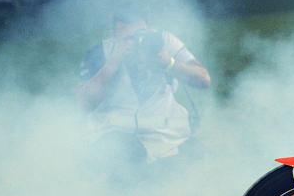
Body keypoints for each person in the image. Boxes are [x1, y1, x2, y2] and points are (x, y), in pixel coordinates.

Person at [79, 14, 211, 180]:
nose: (135, 43)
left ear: (149, 28)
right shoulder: (101, 52)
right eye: (127, 38)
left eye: (140, 35)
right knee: (125, 159)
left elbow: (204, 79)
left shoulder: (163, 42)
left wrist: (169, 63)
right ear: (115, 35)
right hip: (116, 136)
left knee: (202, 162)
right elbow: (83, 103)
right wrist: (113, 63)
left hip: (165, 136)